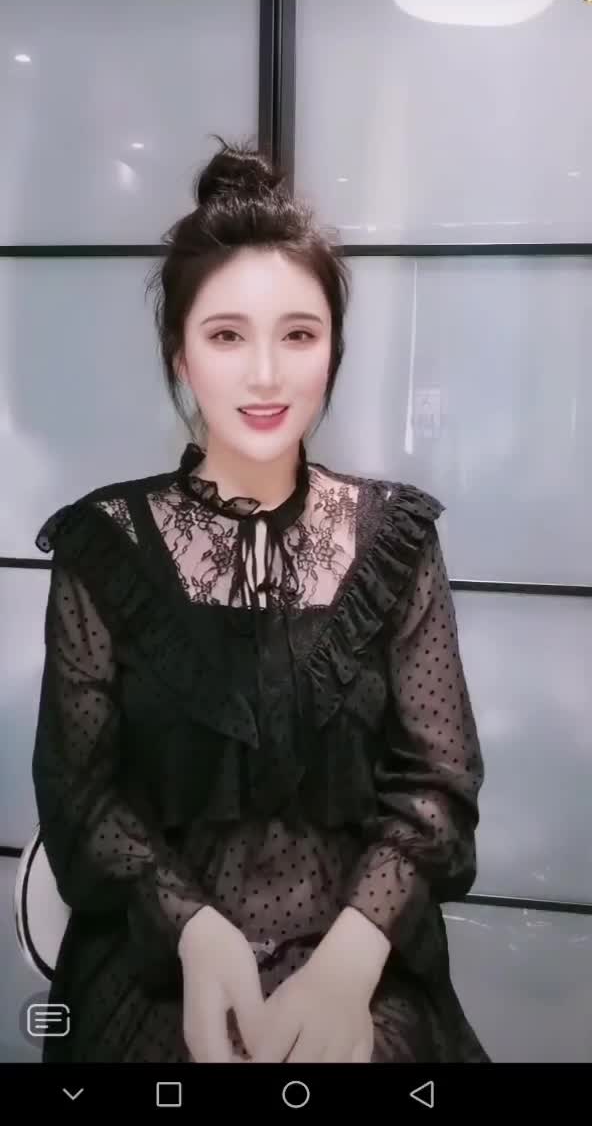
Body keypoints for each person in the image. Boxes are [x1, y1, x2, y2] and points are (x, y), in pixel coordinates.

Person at [32, 136, 491, 1064]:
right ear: (181, 354)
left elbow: (437, 790)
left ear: (333, 352)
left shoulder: (396, 539)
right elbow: (81, 801)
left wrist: (347, 965)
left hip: (361, 952)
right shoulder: (103, 547)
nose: (267, 374)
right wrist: (195, 933)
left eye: (299, 335)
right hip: (161, 957)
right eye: (227, 335)